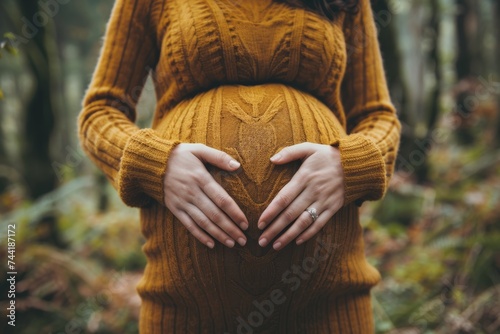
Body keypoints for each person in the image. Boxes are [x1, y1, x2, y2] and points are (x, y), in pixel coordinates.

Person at [78, 0, 401, 332]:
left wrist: (349, 165)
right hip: (185, 309)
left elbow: (376, 116)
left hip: (329, 302)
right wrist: (156, 163)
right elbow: (100, 112)